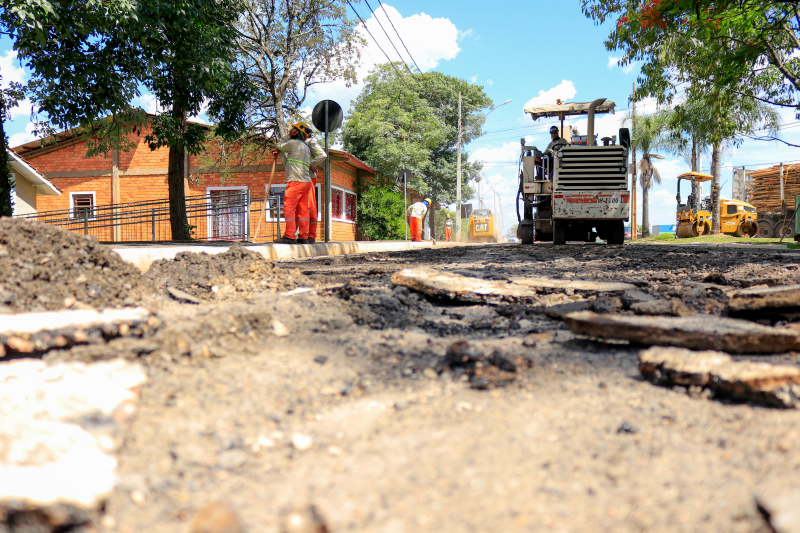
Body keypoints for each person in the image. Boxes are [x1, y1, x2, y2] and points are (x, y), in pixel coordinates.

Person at [271, 122, 314, 244]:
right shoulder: (305, 148)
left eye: (293, 130)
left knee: (288, 208)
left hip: (295, 182)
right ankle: (303, 237)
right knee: (303, 211)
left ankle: (290, 236)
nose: (292, 131)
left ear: (296, 132)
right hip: (305, 182)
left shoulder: (293, 143)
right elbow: (288, 164)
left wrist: (288, 135)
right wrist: (279, 155)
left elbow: (278, 145)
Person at [304, 135, 327, 244]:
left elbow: (322, 155)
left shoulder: (309, 142)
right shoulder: (299, 144)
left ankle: (311, 235)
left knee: (309, 206)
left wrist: (310, 164)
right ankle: (305, 235)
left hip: (308, 178)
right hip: (302, 177)